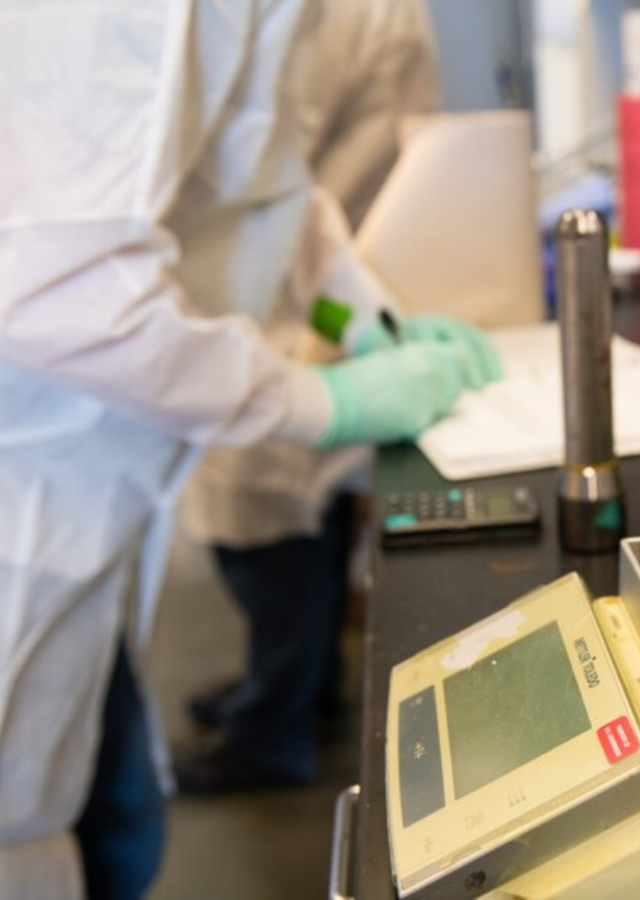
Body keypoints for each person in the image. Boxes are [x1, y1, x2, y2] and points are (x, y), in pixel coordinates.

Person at [0, 2, 497, 897]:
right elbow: (57, 292)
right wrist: (321, 400)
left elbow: (263, 184)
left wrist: (362, 317)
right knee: (41, 829)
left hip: (89, 492)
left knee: (111, 810)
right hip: (29, 477)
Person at [170, 0, 478, 794]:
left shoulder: (322, 26)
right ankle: (284, 697)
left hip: (266, 323)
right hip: (198, 342)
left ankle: (280, 716)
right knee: (269, 524)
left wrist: (369, 323)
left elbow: (290, 202)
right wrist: (325, 398)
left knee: (281, 530)